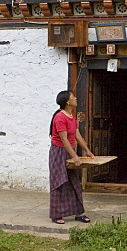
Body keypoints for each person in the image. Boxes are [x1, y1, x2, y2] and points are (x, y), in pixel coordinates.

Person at [48, 90, 94, 225]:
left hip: (69, 151)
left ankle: (79, 213)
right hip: (59, 152)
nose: (75, 98)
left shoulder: (71, 115)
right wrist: (74, 156)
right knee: (59, 182)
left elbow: (76, 134)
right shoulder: (60, 117)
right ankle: (56, 214)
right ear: (67, 101)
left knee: (74, 182)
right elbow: (63, 139)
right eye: (73, 97)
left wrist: (87, 151)